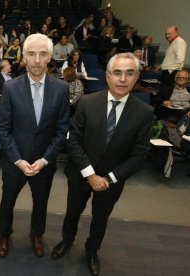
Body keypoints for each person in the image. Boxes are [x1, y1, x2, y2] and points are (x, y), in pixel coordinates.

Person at [51, 53, 153, 276]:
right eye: (117, 72)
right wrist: (90, 175)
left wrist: (108, 179)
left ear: (137, 77)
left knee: (100, 218)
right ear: (107, 76)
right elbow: (73, 141)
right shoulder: (86, 102)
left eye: (129, 73)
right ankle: (66, 241)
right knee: (72, 213)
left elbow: (139, 155)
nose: (122, 79)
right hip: (80, 175)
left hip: (112, 182)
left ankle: (91, 251)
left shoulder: (145, 113)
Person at [0, 33, 70, 258]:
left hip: (44, 163)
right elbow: (3, 129)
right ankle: (4, 234)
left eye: (42, 54)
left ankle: (36, 234)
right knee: (7, 201)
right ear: (24, 58)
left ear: (50, 58)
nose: (37, 60)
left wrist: (45, 159)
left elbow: (61, 130)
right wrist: (18, 160)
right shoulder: (10, 88)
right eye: (31, 54)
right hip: (14, 162)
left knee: (41, 203)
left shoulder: (61, 89)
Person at [156, 26, 187, 101]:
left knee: (165, 95)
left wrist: (169, 71)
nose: (167, 36)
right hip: (168, 72)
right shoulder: (173, 42)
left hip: (171, 73)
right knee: (162, 94)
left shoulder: (179, 42)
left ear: (176, 33)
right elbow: (170, 58)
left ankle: (161, 112)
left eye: (169, 33)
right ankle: (158, 111)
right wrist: (161, 66)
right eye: (166, 34)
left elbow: (180, 60)